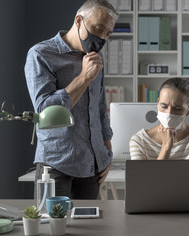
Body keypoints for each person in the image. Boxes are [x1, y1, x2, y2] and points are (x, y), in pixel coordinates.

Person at [24, 0, 119, 199]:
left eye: (108, 33)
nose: (102, 37)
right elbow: (45, 112)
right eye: (98, 28)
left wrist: (107, 154)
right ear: (78, 21)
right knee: (50, 228)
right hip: (56, 164)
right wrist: (84, 77)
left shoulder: (95, 57)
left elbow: (100, 108)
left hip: (92, 165)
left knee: (89, 228)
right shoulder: (41, 54)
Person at [129, 78, 189, 201]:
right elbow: (142, 192)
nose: (169, 113)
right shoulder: (139, 141)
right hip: (152, 215)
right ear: (157, 103)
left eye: (177, 108)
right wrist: (166, 147)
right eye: (164, 106)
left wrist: (159, 191)